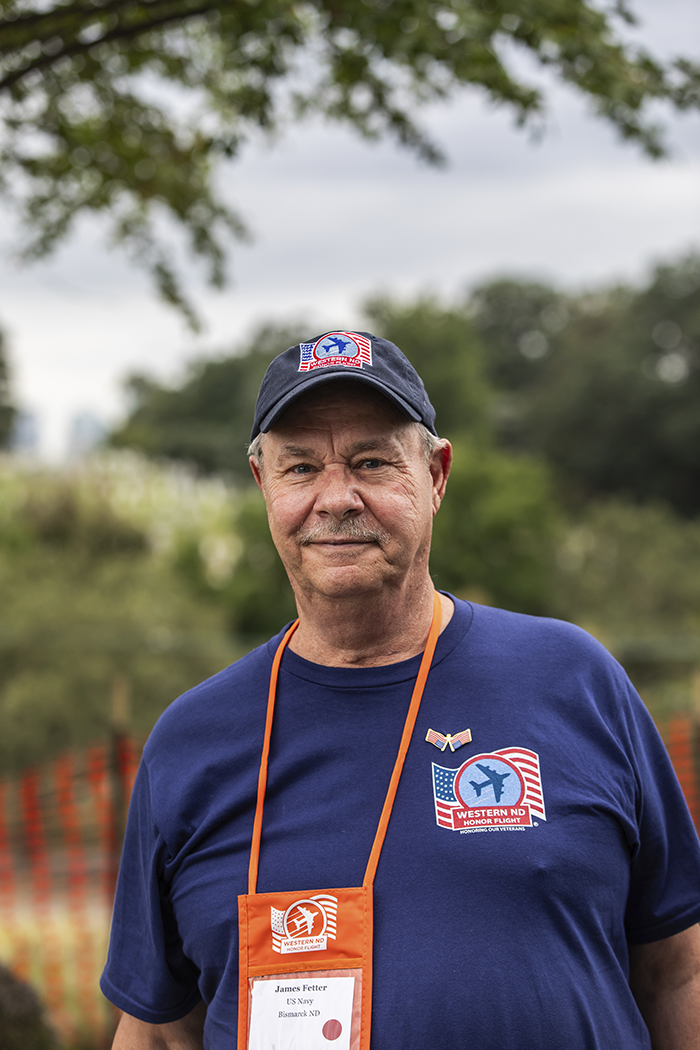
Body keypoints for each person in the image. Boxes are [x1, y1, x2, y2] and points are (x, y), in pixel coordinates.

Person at [102, 331, 700, 1050]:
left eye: (372, 462)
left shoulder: (572, 679)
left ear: (436, 474)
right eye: (300, 467)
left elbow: (677, 972)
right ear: (265, 486)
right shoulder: (193, 740)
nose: (335, 498)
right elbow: (162, 1032)